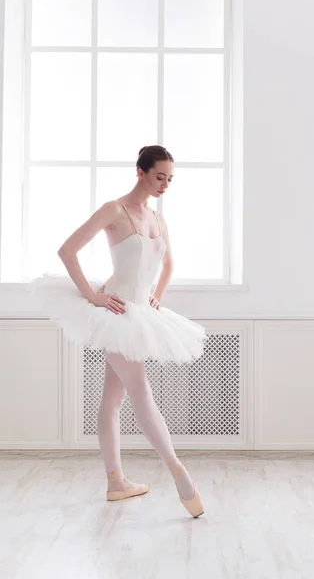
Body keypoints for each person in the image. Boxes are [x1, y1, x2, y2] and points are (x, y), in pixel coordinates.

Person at [31, 145, 207, 518]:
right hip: (116, 312)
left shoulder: (159, 219)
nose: (165, 184)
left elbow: (168, 265)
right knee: (140, 393)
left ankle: (116, 482)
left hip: (141, 313)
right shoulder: (115, 210)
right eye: (160, 176)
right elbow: (67, 250)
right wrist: (92, 296)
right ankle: (177, 468)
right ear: (140, 172)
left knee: (113, 400)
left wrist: (156, 298)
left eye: (170, 179)